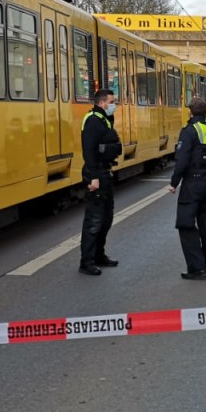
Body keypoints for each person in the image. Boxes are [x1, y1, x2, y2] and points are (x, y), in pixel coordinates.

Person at [170, 97, 206, 280]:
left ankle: (197, 267)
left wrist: (174, 182)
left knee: (185, 224)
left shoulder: (189, 131)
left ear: (191, 111)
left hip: (192, 184)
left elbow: (182, 160)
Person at [78, 88, 122, 276]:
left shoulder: (104, 118)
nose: (114, 105)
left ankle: (99, 255)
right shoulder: (93, 120)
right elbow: (88, 150)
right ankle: (86, 262)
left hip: (105, 171)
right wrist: (94, 177)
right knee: (94, 220)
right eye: (112, 102)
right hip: (95, 174)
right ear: (102, 102)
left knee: (106, 218)